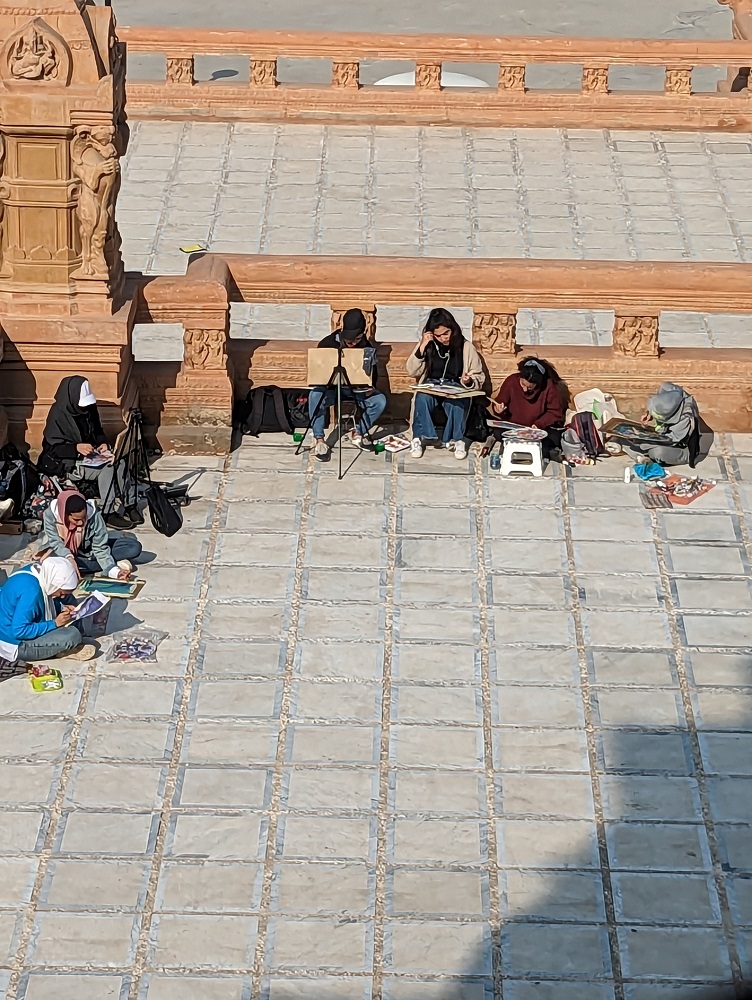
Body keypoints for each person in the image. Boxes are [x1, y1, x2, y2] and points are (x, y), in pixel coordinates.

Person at [37, 375, 135, 528]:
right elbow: (53, 450)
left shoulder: (89, 410)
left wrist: (102, 443)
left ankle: (130, 504)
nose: (84, 408)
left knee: (120, 462)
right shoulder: (58, 415)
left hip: (90, 456)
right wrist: (76, 448)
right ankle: (107, 512)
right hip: (67, 462)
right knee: (107, 468)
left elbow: (97, 431)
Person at [308, 309, 387, 460]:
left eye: (357, 339)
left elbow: (373, 373)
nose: (352, 343)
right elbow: (318, 371)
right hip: (331, 389)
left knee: (379, 401)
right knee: (315, 396)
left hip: (357, 390)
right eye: (349, 340)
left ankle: (359, 432)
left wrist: (371, 386)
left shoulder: (366, 347)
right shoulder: (327, 343)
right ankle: (319, 439)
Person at [406, 308, 484, 460]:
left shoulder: (465, 347)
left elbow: (479, 376)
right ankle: (419, 437)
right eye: (438, 335)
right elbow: (412, 371)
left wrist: (468, 381)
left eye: (446, 333)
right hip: (432, 385)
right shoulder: (429, 345)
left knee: (458, 402)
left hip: (455, 385)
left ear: (452, 329)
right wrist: (422, 346)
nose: (443, 338)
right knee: (421, 398)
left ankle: (457, 439)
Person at [0, 556, 95, 663]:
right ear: (53, 584)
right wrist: (55, 623)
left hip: (16, 623)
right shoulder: (31, 593)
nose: (62, 596)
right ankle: (60, 651)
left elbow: (46, 600)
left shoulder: (40, 572)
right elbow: (19, 631)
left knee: (70, 600)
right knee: (73, 635)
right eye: (61, 593)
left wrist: (62, 607)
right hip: (15, 644)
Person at [42, 490, 142, 579]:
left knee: (134, 547)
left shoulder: (94, 515)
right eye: (76, 520)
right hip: (64, 554)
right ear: (64, 514)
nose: (81, 523)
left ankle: (103, 565)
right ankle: (105, 564)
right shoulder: (50, 515)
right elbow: (55, 543)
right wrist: (69, 558)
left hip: (91, 551)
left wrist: (114, 571)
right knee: (53, 561)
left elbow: (100, 547)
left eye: (84, 518)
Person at [490, 356, 565, 454]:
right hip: (513, 428)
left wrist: (540, 424)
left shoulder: (549, 387)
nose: (525, 390)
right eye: (523, 384)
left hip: (536, 429)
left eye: (529, 387)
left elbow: (555, 412)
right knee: (498, 432)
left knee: (553, 438)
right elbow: (500, 401)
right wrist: (498, 409)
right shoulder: (511, 381)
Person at [633, 382, 701, 467]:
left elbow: (671, 440)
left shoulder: (686, 417)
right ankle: (641, 455)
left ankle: (642, 456)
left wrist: (645, 438)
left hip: (681, 447)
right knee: (628, 439)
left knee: (657, 452)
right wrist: (649, 414)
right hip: (665, 434)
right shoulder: (670, 390)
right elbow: (658, 402)